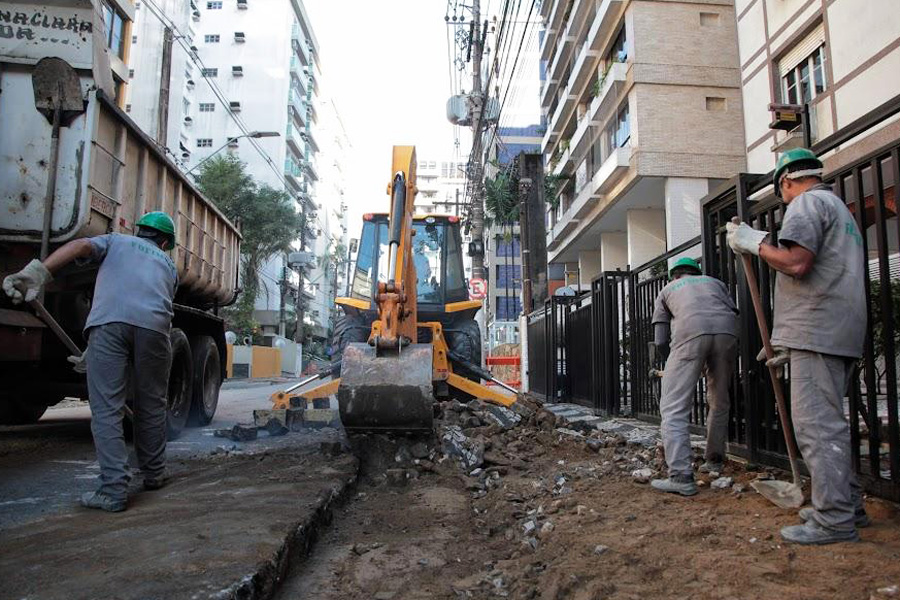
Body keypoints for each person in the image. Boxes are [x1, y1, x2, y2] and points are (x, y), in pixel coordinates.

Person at [726, 147, 869, 545]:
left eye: (782, 192)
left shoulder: (806, 203)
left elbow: (796, 263)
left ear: (786, 182)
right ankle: (847, 503)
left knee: (817, 428)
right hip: (835, 330)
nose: (785, 198)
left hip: (818, 330)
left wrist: (751, 242)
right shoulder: (839, 210)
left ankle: (834, 519)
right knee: (830, 425)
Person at [3, 212, 178, 513]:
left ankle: (112, 491)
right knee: (152, 403)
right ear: (165, 242)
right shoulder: (169, 265)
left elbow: (81, 246)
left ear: (140, 232)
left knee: (107, 408)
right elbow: (150, 303)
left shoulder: (118, 241)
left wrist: (38, 273)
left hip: (109, 326)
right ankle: (155, 472)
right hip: (155, 330)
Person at [650, 257, 739, 497]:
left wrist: (674, 362)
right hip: (728, 332)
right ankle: (714, 460)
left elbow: (660, 339)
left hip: (690, 333)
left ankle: (680, 476)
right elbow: (730, 312)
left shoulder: (667, 289)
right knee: (719, 400)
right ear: (696, 272)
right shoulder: (715, 283)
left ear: (675, 276)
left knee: (673, 408)